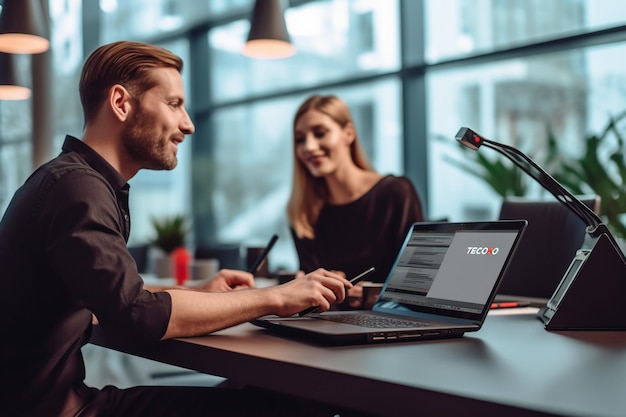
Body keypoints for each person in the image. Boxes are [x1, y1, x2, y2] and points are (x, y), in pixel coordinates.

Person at [0, 41, 360, 417]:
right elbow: (134, 316)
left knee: (248, 392)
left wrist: (201, 295)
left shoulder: (72, 180)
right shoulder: (78, 188)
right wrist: (277, 298)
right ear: (121, 103)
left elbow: (111, 296)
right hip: (62, 410)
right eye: (174, 104)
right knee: (286, 407)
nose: (187, 124)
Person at [287, 95, 424, 307]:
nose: (309, 146)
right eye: (300, 139)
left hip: (386, 323)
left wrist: (375, 293)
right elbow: (308, 286)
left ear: (348, 133)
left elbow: (416, 280)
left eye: (320, 133)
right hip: (325, 325)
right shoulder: (302, 210)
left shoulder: (396, 193)